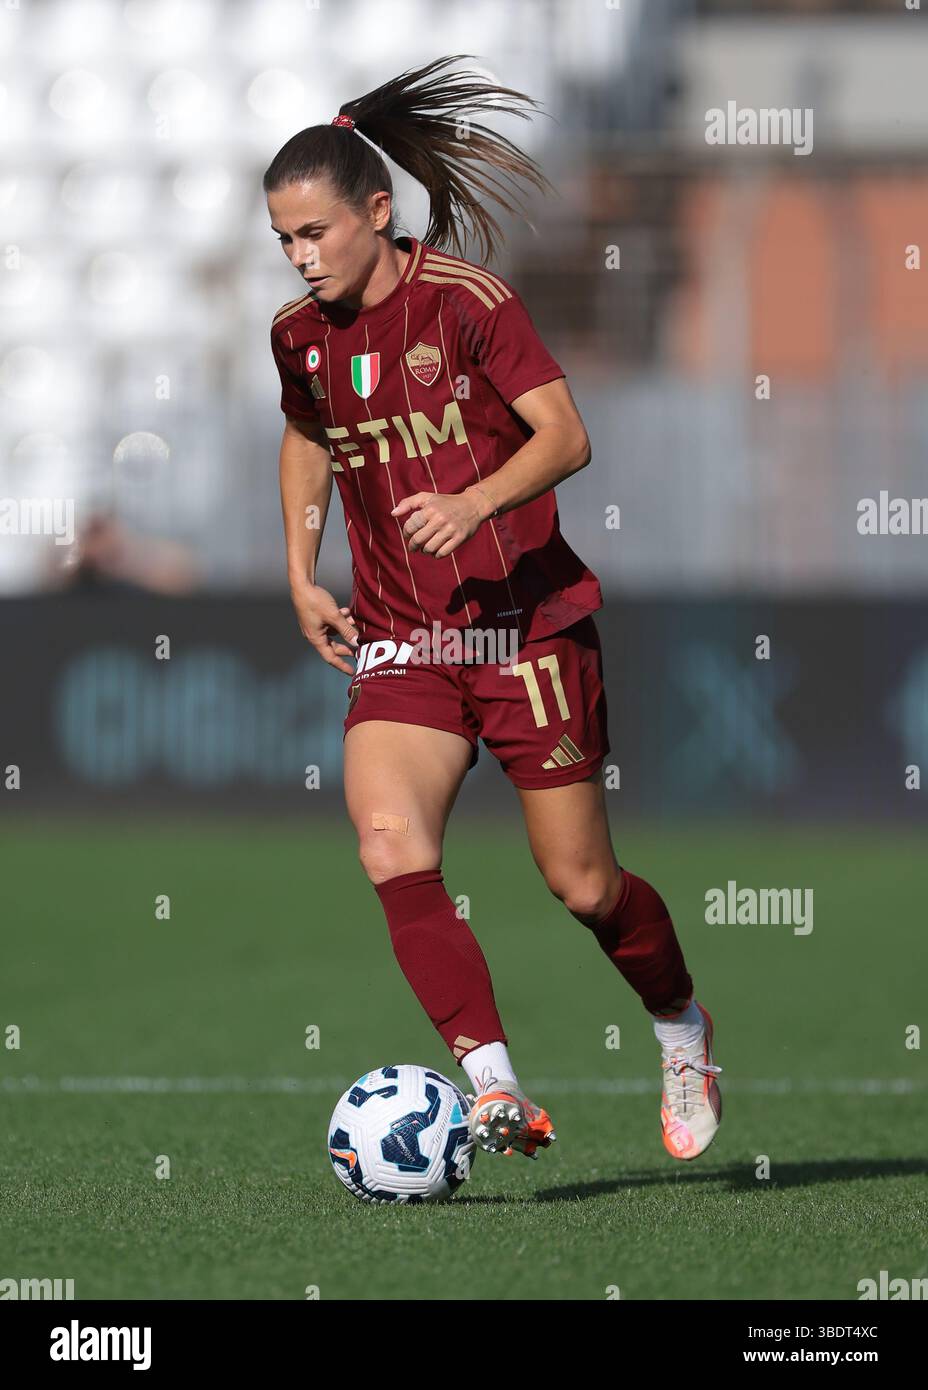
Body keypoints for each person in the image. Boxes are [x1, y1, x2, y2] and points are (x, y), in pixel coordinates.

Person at [265, 55, 721, 1163]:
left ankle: (679, 1025)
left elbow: (567, 436)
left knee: (582, 883)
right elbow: (310, 435)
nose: (300, 255)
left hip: (525, 629)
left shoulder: (468, 304)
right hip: (404, 636)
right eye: (283, 239)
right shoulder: (299, 336)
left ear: (378, 212)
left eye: (316, 232)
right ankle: (493, 1085)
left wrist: (472, 499)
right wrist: (299, 567)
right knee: (387, 841)